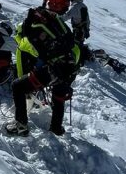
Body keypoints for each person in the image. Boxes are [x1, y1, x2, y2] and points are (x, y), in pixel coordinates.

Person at [5, 7, 82, 136]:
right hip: (70, 68)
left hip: (53, 70)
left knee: (17, 86)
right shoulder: (57, 31)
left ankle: (20, 125)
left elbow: (21, 69)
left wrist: (27, 86)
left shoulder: (25, 40)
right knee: (58, 97)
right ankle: (56, 128)